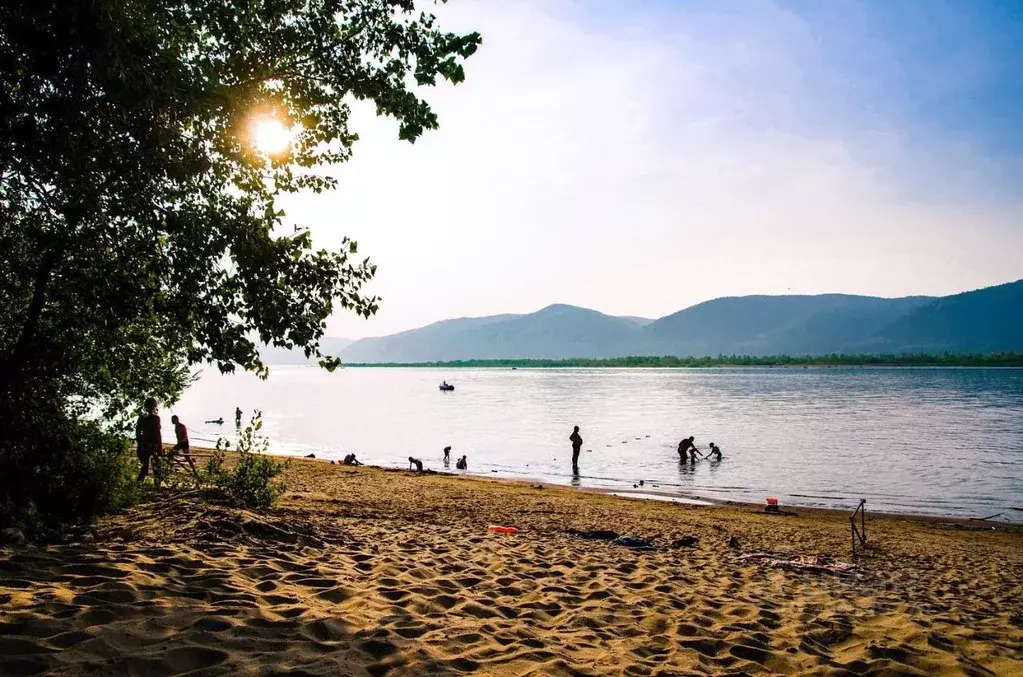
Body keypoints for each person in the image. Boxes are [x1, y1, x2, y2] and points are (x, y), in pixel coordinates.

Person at [135, 397, 162, 483]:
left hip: (143, 444)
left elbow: (138, 432)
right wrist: (159, 447)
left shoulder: (142, 418)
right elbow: (157, 434)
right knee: (156, 467)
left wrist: (140, 443)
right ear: (154, 406)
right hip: (152, 444)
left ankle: (138, 484)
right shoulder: (155, 418)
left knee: (144, 467)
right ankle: (157, 486)